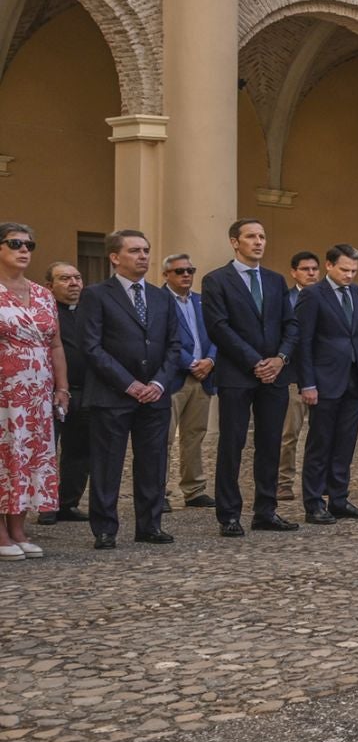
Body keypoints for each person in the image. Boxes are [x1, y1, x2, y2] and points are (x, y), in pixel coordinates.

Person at [80, 228, 184, 549]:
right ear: (115, 257)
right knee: (108, 463)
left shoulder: (161, 296)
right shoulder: (97, 295)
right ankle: (105, 528)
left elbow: (174, 344)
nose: (143, 256)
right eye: (135, 251)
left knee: (153, 463)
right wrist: (129, 383)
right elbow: (92, 347)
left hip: (155, 396)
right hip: (112, 395)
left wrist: (157, 383)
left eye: (146, 250)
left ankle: (150, 525)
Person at [202, 219, 299, 537]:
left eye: (262, 236)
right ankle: (229, 514)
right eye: (251, 237)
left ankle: (266, 510)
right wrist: (255, 361)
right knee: (232, 444)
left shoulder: (275, 280)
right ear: (234, 242)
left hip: (275, 376)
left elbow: (291, 324)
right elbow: (218, 327)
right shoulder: (216, 280)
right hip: (237, 375)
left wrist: (280, 359)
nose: (258, 242)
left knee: (270, 443)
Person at [295, 244, 358, 523]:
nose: (349, 275)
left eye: (354, 270)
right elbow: (304, 342)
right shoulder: (312, 295)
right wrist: (307, 383)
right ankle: (314, 502)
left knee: (346, 442)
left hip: (355, 380)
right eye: (344, 269)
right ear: (329, 265)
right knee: (320, 443)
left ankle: (339, 498)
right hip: (324, 380)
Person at [0, 224, 66, 560]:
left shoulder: (42, 294)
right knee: (4, 457)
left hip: (37, 393)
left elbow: (55, 344)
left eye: (29, 244)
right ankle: (0, 533)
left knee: (29, 456)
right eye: (15, 243)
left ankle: (18, 529)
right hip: (3, 390)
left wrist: (62, 387)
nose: (24, 249)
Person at [159, 252, 218, 511]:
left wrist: (211, 360)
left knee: (195, 435)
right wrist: (191, 363)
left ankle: (194, 489)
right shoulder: (159, 300)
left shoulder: (202, 301)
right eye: (179, 271)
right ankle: (157, 491)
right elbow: (161, 337)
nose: (186, 275)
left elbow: (218, 332)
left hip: (203, 378)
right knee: (164, 438)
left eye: (190, 271)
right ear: (166, 275)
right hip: (174, 378)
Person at [43, 261, 91, 526]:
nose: (74, 283)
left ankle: (68, 503)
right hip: (52, 392)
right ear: (49, 286)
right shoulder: (45, 311)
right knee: (48, 449)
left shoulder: (90, 311)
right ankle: (46, 505)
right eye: (65, 279)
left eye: (77, 277)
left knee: (81, 451)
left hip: (86, 391)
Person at [276, 251, 322, 506]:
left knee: (321, 433)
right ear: (293, 272)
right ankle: (283, 482)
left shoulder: (325, 297)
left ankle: (318, 481)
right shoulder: (287, 299)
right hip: (293, 375)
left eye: (314, 268)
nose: (311, 273)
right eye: (305, 269)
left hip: (322, 375)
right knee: (289, 433)